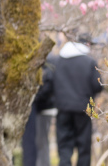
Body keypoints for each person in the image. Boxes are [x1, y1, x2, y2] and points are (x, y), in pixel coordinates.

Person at [52, 33, 103, 166]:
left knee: (64, 146)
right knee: (84, 146)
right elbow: (98, 85)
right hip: (83, 109)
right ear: (87, 44)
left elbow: (51, 83)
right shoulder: (89, 62)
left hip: (63, 108)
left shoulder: (58, 61)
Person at [23, 52, 58, 166]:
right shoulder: (43, 60)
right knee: (38, 142)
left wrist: (34, 97)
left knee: (41, 142)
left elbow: (47, 86)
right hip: (38, 108)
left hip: (44, 108)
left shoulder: (47, 62)